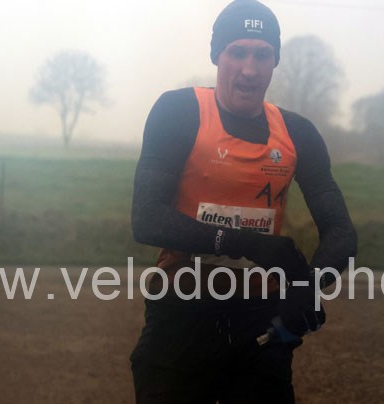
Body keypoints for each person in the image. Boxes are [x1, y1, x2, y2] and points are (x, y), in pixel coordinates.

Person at [129, 1, 357, 402]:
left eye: (262, 54)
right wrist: (246, 242)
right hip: (181, 312)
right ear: (217, 55)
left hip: (259, 317)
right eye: (237, 52)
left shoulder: (297, 132)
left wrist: (308, 287)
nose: (249, 70)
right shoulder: (179, 112)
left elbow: (341, 232)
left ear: (275, 61)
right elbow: (147, 218)